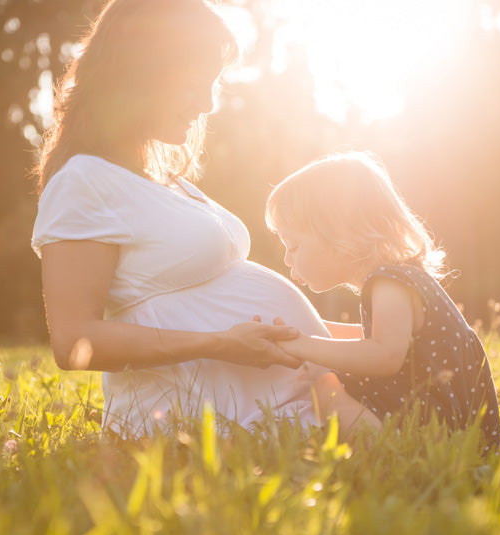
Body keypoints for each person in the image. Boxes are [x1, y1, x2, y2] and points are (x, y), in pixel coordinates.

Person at [31, 0, 345, 434]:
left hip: (276, 407)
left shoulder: (164, 180)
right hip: (195, 425)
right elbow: (73, 343)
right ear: (142, 73)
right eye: (196, 83)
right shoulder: (84, 180)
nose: (208, 103)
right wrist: (221, 345)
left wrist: (351, 334)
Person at [263, 151, 500, 451]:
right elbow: (383, 340)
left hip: (432, 429)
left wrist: (301, 346)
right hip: (443, 419)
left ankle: (390, 452)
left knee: (325, 386)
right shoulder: (398, 277)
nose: (287, 258)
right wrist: (312, 328)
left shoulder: (389, 282)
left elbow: (385, 354)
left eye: (293, 246)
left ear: (337, 234)